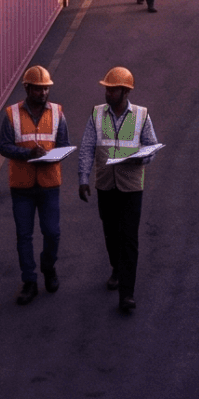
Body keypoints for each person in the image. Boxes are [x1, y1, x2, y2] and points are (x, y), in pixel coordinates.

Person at [79, 66, 160, 314]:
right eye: (106, 89)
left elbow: (152, 146)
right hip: (106, 184)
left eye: (112, 89)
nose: (107, 93)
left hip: (131, 186)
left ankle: (127, 294)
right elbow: (87, 147)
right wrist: (83, 178)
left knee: (129, 239)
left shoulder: (141, 115)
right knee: (111, 234)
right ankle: (116, 267)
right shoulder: (97, 115)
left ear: (124, 92)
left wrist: (141, 159)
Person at [0, 65, 66, 304]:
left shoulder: (57, 113)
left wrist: (50, 155)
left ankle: (48, 267)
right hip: (22, 186)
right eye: (38, 89)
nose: (43, 93)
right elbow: (4, 146)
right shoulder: (12, 114)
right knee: (24, 236)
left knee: (52, 233)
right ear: (27, 88)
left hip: (49, 185)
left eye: (46, 88)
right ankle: (29, 281)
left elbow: (65, 145)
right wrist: (28, 154)